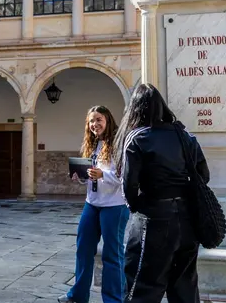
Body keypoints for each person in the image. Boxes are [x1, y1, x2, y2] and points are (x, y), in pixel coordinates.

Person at [113, 84, 209, 303]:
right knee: (185, 288)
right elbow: (204, 175)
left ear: (135, 109)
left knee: (143, 288)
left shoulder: (137, 138)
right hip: (187, 220)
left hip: (153, 219)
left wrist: (139, 207)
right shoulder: (185, 136)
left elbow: (129, 185)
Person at [59, 106, 130, 303]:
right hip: (92, 203)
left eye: (98, 119)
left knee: (112, 254)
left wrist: (102, 174)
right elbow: (89, 177)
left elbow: (124, 176)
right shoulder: (92, 144)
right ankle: (78, 296)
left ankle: (114, 299)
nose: (94, 124)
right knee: (83, 248)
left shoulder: (119, 143)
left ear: (108, 120)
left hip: (115, 206)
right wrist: (80, 176)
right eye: (91, 121)